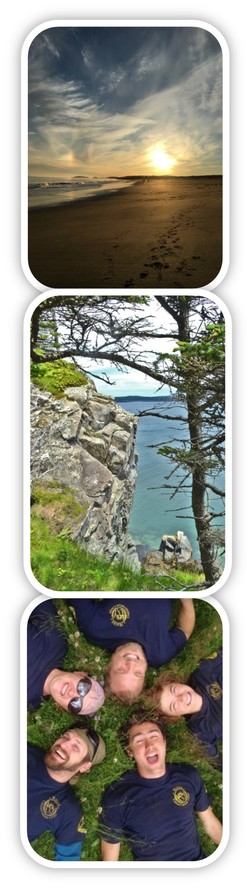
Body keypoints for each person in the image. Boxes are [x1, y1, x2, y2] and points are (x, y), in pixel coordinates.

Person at [99, 715, 222, 862]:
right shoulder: (118, 795)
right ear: (129, 751)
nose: (149, 745)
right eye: (139, 741)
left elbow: (211, 825)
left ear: (164, 742)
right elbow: (110, 857)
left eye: (154, 736)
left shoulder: (188, 775)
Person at [68, 598, 195, 702]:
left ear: (109, 666)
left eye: (121, 670)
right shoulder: (160, 653)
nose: (131, 664)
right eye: (138, 673)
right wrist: (186, 601)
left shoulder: (95, 629)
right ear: (145, 673)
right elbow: (185, 631)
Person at [28, 725, 106, 861]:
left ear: (84, 766)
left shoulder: (68, 812)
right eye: (65, 737)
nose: (63, 745)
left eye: (76, 747)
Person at [28, 598, 105, 715]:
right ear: (80, 673)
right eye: (83, 688)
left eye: (75, 704)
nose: (72, 693)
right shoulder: (55, 642)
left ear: (62, 707)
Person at [148, 650, 222, 767]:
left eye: (174, 690)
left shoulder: (203, 672)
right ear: (174, 717)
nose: (182, 697)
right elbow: (219, 762)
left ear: (176, 682)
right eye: (174, 705)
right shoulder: (199, 733)